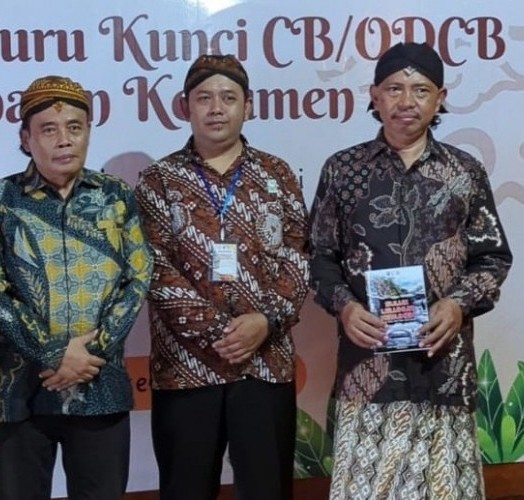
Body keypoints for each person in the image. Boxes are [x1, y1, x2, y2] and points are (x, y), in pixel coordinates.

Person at [309, 42, 513, 499]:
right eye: (394, 89)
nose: (407, 101)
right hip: (369, 367)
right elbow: (319, 256)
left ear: (440, 98)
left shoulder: (464, 171)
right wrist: (345, 308)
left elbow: (493, 257)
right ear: (374, 95)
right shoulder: (343, 170)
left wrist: (458, 305)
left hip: (442, 367)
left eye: (420, 90)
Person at [0, 75, 152, 500]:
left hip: (99, 384)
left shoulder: (115, 196)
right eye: (48, 129)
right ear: (26, 139)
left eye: (74, 127)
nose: (64, 140)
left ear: (88, 131)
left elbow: (137, 275)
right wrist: (54, 353)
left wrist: (92, 353)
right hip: (20, 391)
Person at [135, 54, 309, 500]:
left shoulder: (277, 175)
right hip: (186, 369)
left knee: (267, 490)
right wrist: (221, 333)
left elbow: (299, 256)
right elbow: (154, 268)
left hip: (265, 362)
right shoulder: (159, 181)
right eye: (204, 98)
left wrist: (265, 321)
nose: (216, 109)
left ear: (248, 106)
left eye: (229, 98)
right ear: (184, 106)